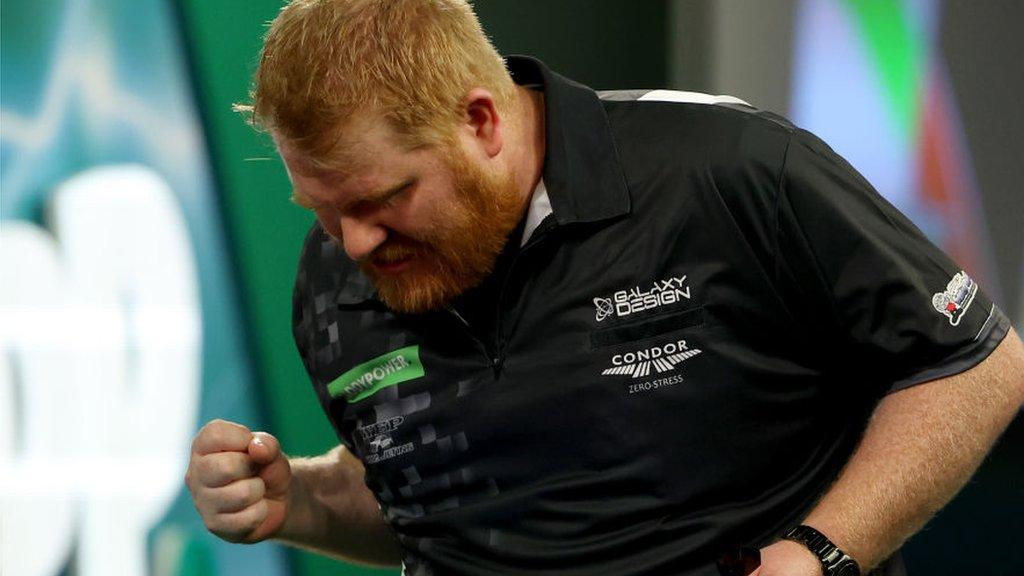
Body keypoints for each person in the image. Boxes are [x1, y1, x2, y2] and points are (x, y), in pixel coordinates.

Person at [184, 1, 1024, 575]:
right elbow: (428, 490)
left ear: (480, 120)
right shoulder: (331, 276)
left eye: (382, 199)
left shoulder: (728, 169)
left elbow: (977, 363)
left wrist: (821, 552)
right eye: (322, 209)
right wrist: (299, 501)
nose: (353, 242)